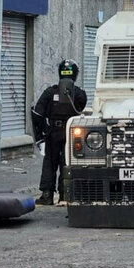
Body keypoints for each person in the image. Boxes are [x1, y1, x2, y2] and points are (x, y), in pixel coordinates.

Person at [32, 60, 88, 205]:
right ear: (75, 74)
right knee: (67, 163)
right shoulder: (80, 94)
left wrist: (42, 132)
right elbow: (82, 109)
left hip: (53, 132)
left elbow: (37, 114)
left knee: (50, 163)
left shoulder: (50, 92)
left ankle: (47, 195)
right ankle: (65, 195)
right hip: (71, 134)